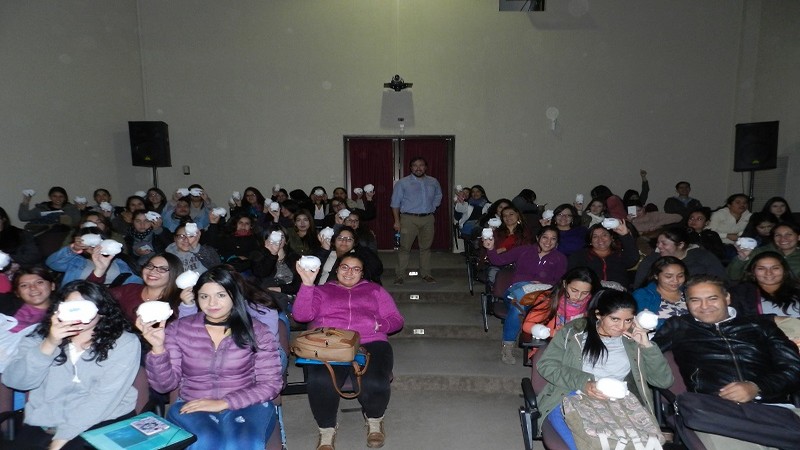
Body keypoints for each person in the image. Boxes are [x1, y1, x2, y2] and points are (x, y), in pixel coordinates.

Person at [139, 266, 283, 450]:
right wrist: (158, 348)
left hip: (247, 402)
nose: (212, 303)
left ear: (234, 295)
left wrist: (224, 403)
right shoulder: (179, 329)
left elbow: (271, 384)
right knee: (206, 442)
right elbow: (163, 385)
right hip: (194, 403)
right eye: (204, 296)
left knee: (244, 443)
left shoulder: (257, 330)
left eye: (221, 295)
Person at [653, 275, 800, 450]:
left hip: (776, 409)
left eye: (712, 298)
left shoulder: (759, 325)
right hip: (718, 414)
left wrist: (756, 387)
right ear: (686, 303)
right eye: (695, 300)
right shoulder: (679, 327)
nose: (704, 306)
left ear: (727, 298)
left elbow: (794, 368)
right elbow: (644, 354)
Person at [3, 280, 141, 450]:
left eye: (85, 307)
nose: (77, 315)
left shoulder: (124, 342)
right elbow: (16, 382)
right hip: (46, 421)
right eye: (71, 307)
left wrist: (61, 440)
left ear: (102, 311)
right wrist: (49, 344)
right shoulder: (38, 338)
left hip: (104, 419)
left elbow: (102, 399)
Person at [294, 254, 405, 449]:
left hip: (370, 341)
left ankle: (374, 421)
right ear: (336, 270)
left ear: (362, 273)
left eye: (356, 269)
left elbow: (396, 319)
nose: (349, 272)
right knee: (320, 381)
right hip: (331, 345)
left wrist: (379, 325)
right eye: (345, 267)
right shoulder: (322, 290)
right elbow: (301, 315)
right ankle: (326, 430)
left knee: (374, 381)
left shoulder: (375, 290)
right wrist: (307, 285)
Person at [535, 289, 673, 443]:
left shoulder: (634, 340)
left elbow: (663, 381)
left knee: (637, 445)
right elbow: (547, 365)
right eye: (615, 319)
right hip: (571, 396)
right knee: (586, 444)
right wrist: (583, 383)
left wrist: (647, 346)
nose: (622, 326)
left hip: (619, 402)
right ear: (598, 314)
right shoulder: (574, 333)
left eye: (628, 320)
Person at [483, 225, 568, 364]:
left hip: (543, 292)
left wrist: (540, 282)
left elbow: (559, 281)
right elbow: (498, 261)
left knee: (536, 309)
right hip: (519, 289)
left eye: (553, 239)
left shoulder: (560, 258)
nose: (548, 242)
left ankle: (539, 348)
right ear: (538, 238)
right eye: (545, 237)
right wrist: (490, 248)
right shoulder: (524, 250)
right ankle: (508, 346)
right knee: (518, 307)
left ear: (557, 242)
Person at [520, 266, 601, 355]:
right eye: (574, 290)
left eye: (585, 293)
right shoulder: (549, 299)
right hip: (550, 346)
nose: (578, 297)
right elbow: (527, 326)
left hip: (579, 348)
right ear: (564, 283)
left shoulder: (593, 303)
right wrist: (552, 332)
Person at [88, 252, 185, 324]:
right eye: (150, 266)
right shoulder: (130, 289)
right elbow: (92, 297)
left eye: (162, 269)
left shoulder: (179, 303)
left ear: (173, 274)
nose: (153, 271)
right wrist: (99, 270)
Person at [390, 157, 443, 284]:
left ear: (426, 167)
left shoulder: (433, 181)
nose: (418, 168)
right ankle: (400, 276)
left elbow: (438, 195)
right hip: (408, 218)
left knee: (426, 248)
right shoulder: (403, 183)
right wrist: (397, 221)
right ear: (410, 168)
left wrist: (433, 208)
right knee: (404, 248)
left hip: (428, 219)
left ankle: (426, 274)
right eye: (415, 165)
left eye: (421, 165)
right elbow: (395, 203)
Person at [46, 224, 142, 287]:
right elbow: (52, 263)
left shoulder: (119, 261)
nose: (93, 245)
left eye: (95, 240)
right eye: (88, 241)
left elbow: (135, 283)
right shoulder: (75, 261)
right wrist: (73, 249)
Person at [634, 226, 725, 287]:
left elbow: (720, 281)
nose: (659, 246)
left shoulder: (702, 257)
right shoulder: (651, 260)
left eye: (664, 244)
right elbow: (639, 285)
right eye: (658, 242)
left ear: (680, 245)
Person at [730, 251, 800, 319]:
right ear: (753, 272)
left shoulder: (797, 290)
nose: (768, 273)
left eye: (775, 268)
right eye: (761, 269)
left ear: (784, 270)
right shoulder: (740, 294)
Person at [567, 222, 638, 288]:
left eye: (604, 235)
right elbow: (572, 278)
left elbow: (633, 259)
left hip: (618, 295)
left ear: (611, 237)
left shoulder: (619, 255)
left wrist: (625, 235)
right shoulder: (579, 256)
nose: (600, 239)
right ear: (590, 241)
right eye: (595, 237)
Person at [726, 222, 800, 281]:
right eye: (778, 235)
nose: (783, 239)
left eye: (789, 234)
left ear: (798, 237)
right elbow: (733, 276)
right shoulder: (760, 252)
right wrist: (742, 258)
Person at [632, 256, 688, 329]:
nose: (676, 280)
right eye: (668, 276)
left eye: (680, 276)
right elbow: (638, 322)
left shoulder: (690, 293)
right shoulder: (643, 295)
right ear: (656, 276)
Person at [315, 226, 383, 285]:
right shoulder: (326, 253)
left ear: (354, 243)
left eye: (349, 239)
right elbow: (312, 271)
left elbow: (377, 270)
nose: (344, 241)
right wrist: (324, 250)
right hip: (320, 291)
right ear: (334, 241)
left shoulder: (360, 256)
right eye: (340, 238)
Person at [0, 267, 56, 332]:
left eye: (39, 282)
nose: (32, 288)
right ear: (17, 292)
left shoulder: (62, 313)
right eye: (24, 285)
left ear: (52, 286)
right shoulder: (5, 304)